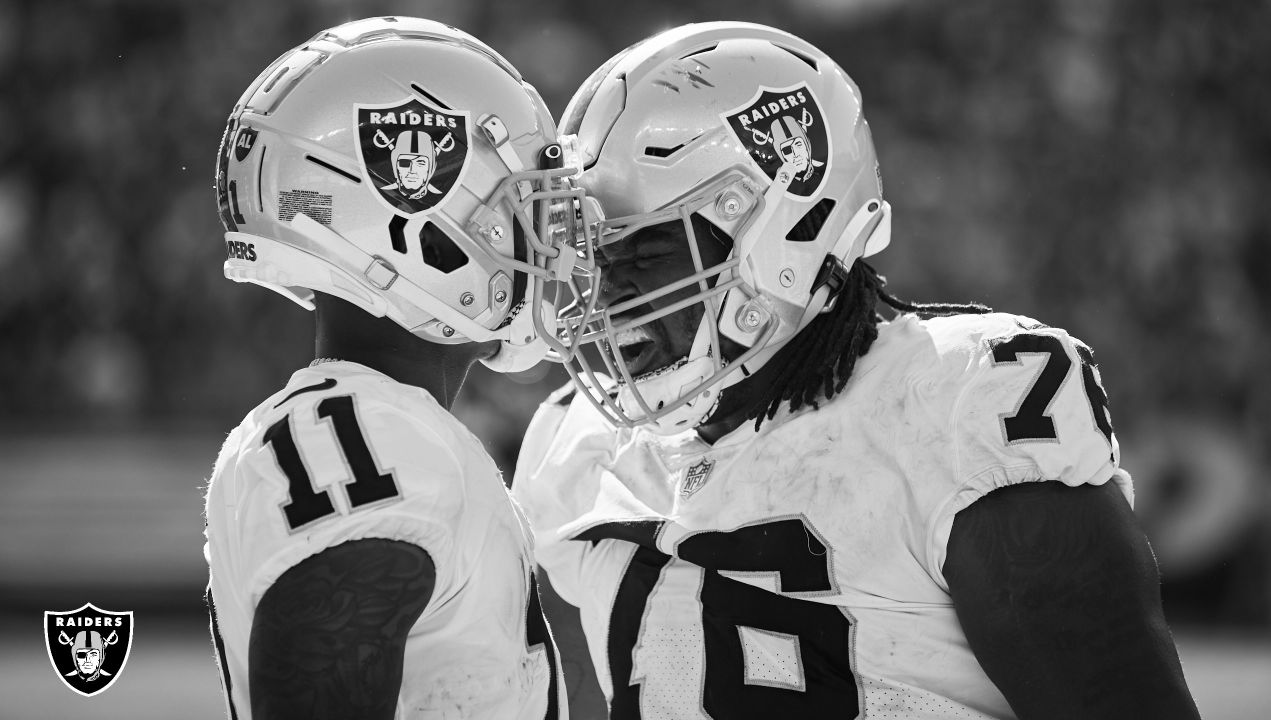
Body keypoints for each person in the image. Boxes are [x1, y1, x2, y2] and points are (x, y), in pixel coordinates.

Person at [515, 21, 1202, 719]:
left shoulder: (961, 401)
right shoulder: (571, 442)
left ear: (777, 233)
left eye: (641, 252)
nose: (603, 293)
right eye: (592, 257)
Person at [205, 16, 582, 720]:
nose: (547, 235)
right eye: (519, 203)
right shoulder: (372, 439)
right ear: (414, 224)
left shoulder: (385, 426)